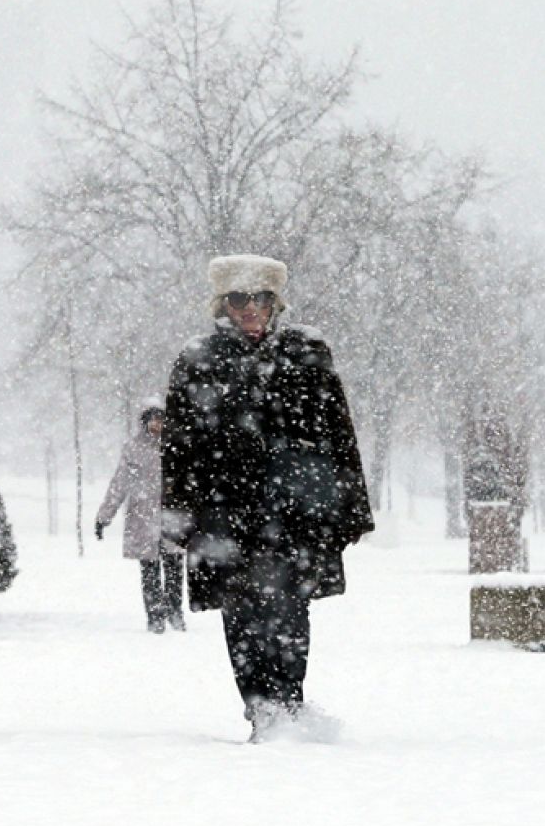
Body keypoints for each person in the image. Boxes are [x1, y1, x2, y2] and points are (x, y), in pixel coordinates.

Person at [161, 254, 374, 742]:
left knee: (290, 608)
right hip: (225, 514)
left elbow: (339, 432)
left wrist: (351, 508)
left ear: (275, 302)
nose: (250, 308)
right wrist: (178, 514)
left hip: (296, 510)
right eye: (239, 299)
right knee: (241, 614)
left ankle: (290, 705)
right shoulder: (199, 358)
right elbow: (178, 447)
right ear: (223, 304)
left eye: (260, 298)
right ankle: (261, 710)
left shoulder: (309, 351)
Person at [95, 400, 186, 633]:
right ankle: (155, 616)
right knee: (149, 571)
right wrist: (105, 516)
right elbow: (119, 484)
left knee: (174, 568)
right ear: (145, 422)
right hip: (143, 518)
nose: (157, 424)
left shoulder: (177, 446)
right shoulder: (134, 448)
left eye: (161, 419)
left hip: (172, 517)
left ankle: (175, 612)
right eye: (153, 419)